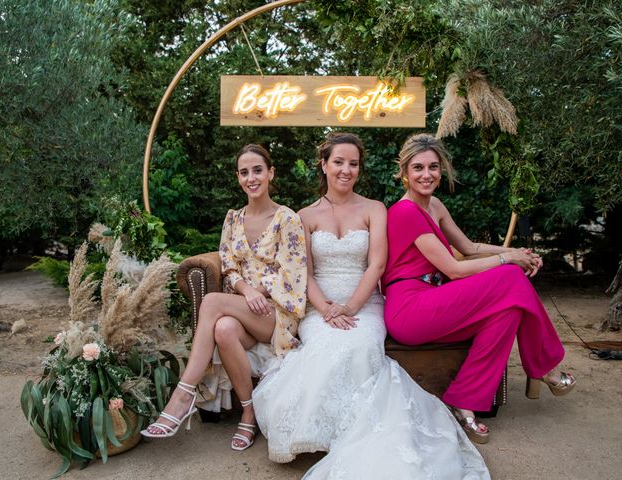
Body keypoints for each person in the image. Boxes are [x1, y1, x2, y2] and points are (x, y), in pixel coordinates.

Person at [253, 132, 489, 478]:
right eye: (338, 162)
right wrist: (327, 309)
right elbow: (303, 272)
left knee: (359, 344)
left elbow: (377, 265)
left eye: (353, 164)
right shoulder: (304, 215)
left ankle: (355, 434)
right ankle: (320, 431)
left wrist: (350, 307)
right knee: (323, 344)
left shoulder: (374, 209)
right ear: (324, 165)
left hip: (365, 304)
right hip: (320, 306)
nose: (346, 170)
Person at [383, 133, 576, 444]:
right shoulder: (404, 211)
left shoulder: (435, 206)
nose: (427, 174)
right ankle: (545, 367)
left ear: (442, 169)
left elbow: (470, 248)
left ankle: (465, 401)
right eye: (417, 168)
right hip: (410, 308)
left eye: (433, 167)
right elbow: (454, 268)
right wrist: (507, 258)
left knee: (509, 310)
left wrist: (517, 253)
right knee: (511, 277)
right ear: (404, 172)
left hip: (436, 301)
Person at [141, 144, 307, 451]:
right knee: (223, 329)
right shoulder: (233, 219)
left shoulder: (287, 219)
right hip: (244, 308)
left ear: (271, 173)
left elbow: (294, 276)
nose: (251, 178)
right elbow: (228, 266)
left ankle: (183, 394)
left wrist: (261, 291)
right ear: (238, 177)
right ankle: (248, 411)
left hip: (277, 314)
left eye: (258, 170)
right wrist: (246, 290)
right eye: (244, 172)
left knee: (212, 302)